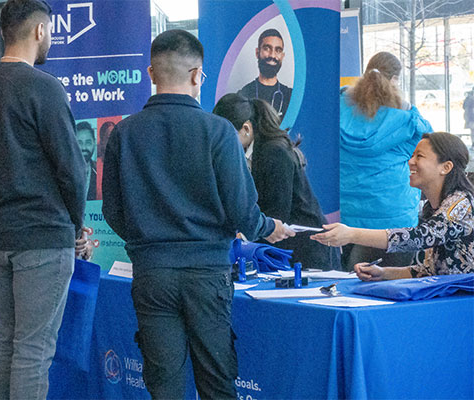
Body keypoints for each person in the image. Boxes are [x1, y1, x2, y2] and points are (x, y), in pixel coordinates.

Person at [102, 29, 295, 400]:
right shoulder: (219, 132)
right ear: (196, 75)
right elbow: (243, 210)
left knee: (163, 383)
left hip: (151, 272)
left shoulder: (124, 134)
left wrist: (147, 240)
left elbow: (113, 209)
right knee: (217, 381)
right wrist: (268, 229)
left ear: (151, 74)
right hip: (207, 275)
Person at [0, 0, 89, 398]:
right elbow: (71, 168)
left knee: (8, 341)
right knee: (34, 348)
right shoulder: (44, 87)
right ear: (39, 31)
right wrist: (76, 225)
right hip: (42, 234)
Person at [312, 132, 474, 280]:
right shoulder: (435, 208)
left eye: (419, 156)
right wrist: (383, 273)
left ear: (446, 167)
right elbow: (429, 270)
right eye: (412, 155)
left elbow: (419, 237)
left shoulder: (462, 204)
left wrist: (352, 234)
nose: (410, 162)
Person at [213, 93, 340, 269]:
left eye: (227, 134)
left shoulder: (275, 152)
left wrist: (242, 235)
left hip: (304, 249)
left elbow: (277, 211)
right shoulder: (244, 153)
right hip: (276, 245)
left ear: (246, 129)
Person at [340, 51, 432, 270]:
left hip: (345, 213)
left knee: (347, 283)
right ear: (394, 80)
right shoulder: (406, 119)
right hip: (393, 217)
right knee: (390, 286)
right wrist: (409, 108)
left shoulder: (340, 107)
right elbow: (430, 144)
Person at [238, 28, 292, 120]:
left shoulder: (290, 96)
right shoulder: (243, 94)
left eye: (278, 50)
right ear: (257, 52)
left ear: (282, 56)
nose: (272, 55)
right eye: (267, 48)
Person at [76, 121, 97, 200]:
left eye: (88, 143)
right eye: (79, 143)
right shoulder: (62, 172)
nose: (84, 147)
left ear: (94, 143)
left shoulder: (101, 171)